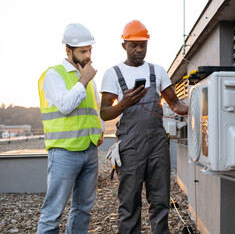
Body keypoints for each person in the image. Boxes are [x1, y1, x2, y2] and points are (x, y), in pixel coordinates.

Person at [100, 20, 188, 234]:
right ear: (124, 45)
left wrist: (202, 106)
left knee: (160, 201)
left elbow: (175, 104)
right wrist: (124, 103)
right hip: (130, 145)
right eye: (134, 45)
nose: (139, 50)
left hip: (158, 144)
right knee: (129, 203)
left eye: (143, 45)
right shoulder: (113, 74)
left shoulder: (157, 71)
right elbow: (104, 112)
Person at [37, 23, 105, 234]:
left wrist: (100, 129)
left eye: (90, 50)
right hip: (64, 153)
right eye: (83, 51)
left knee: (83, 209)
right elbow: (66, 106)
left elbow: (95, 107)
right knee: (52, 213)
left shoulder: (88, 78)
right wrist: (84, 79)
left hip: (89, 151)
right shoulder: (54, 75)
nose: (88, 56)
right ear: (68, 50)